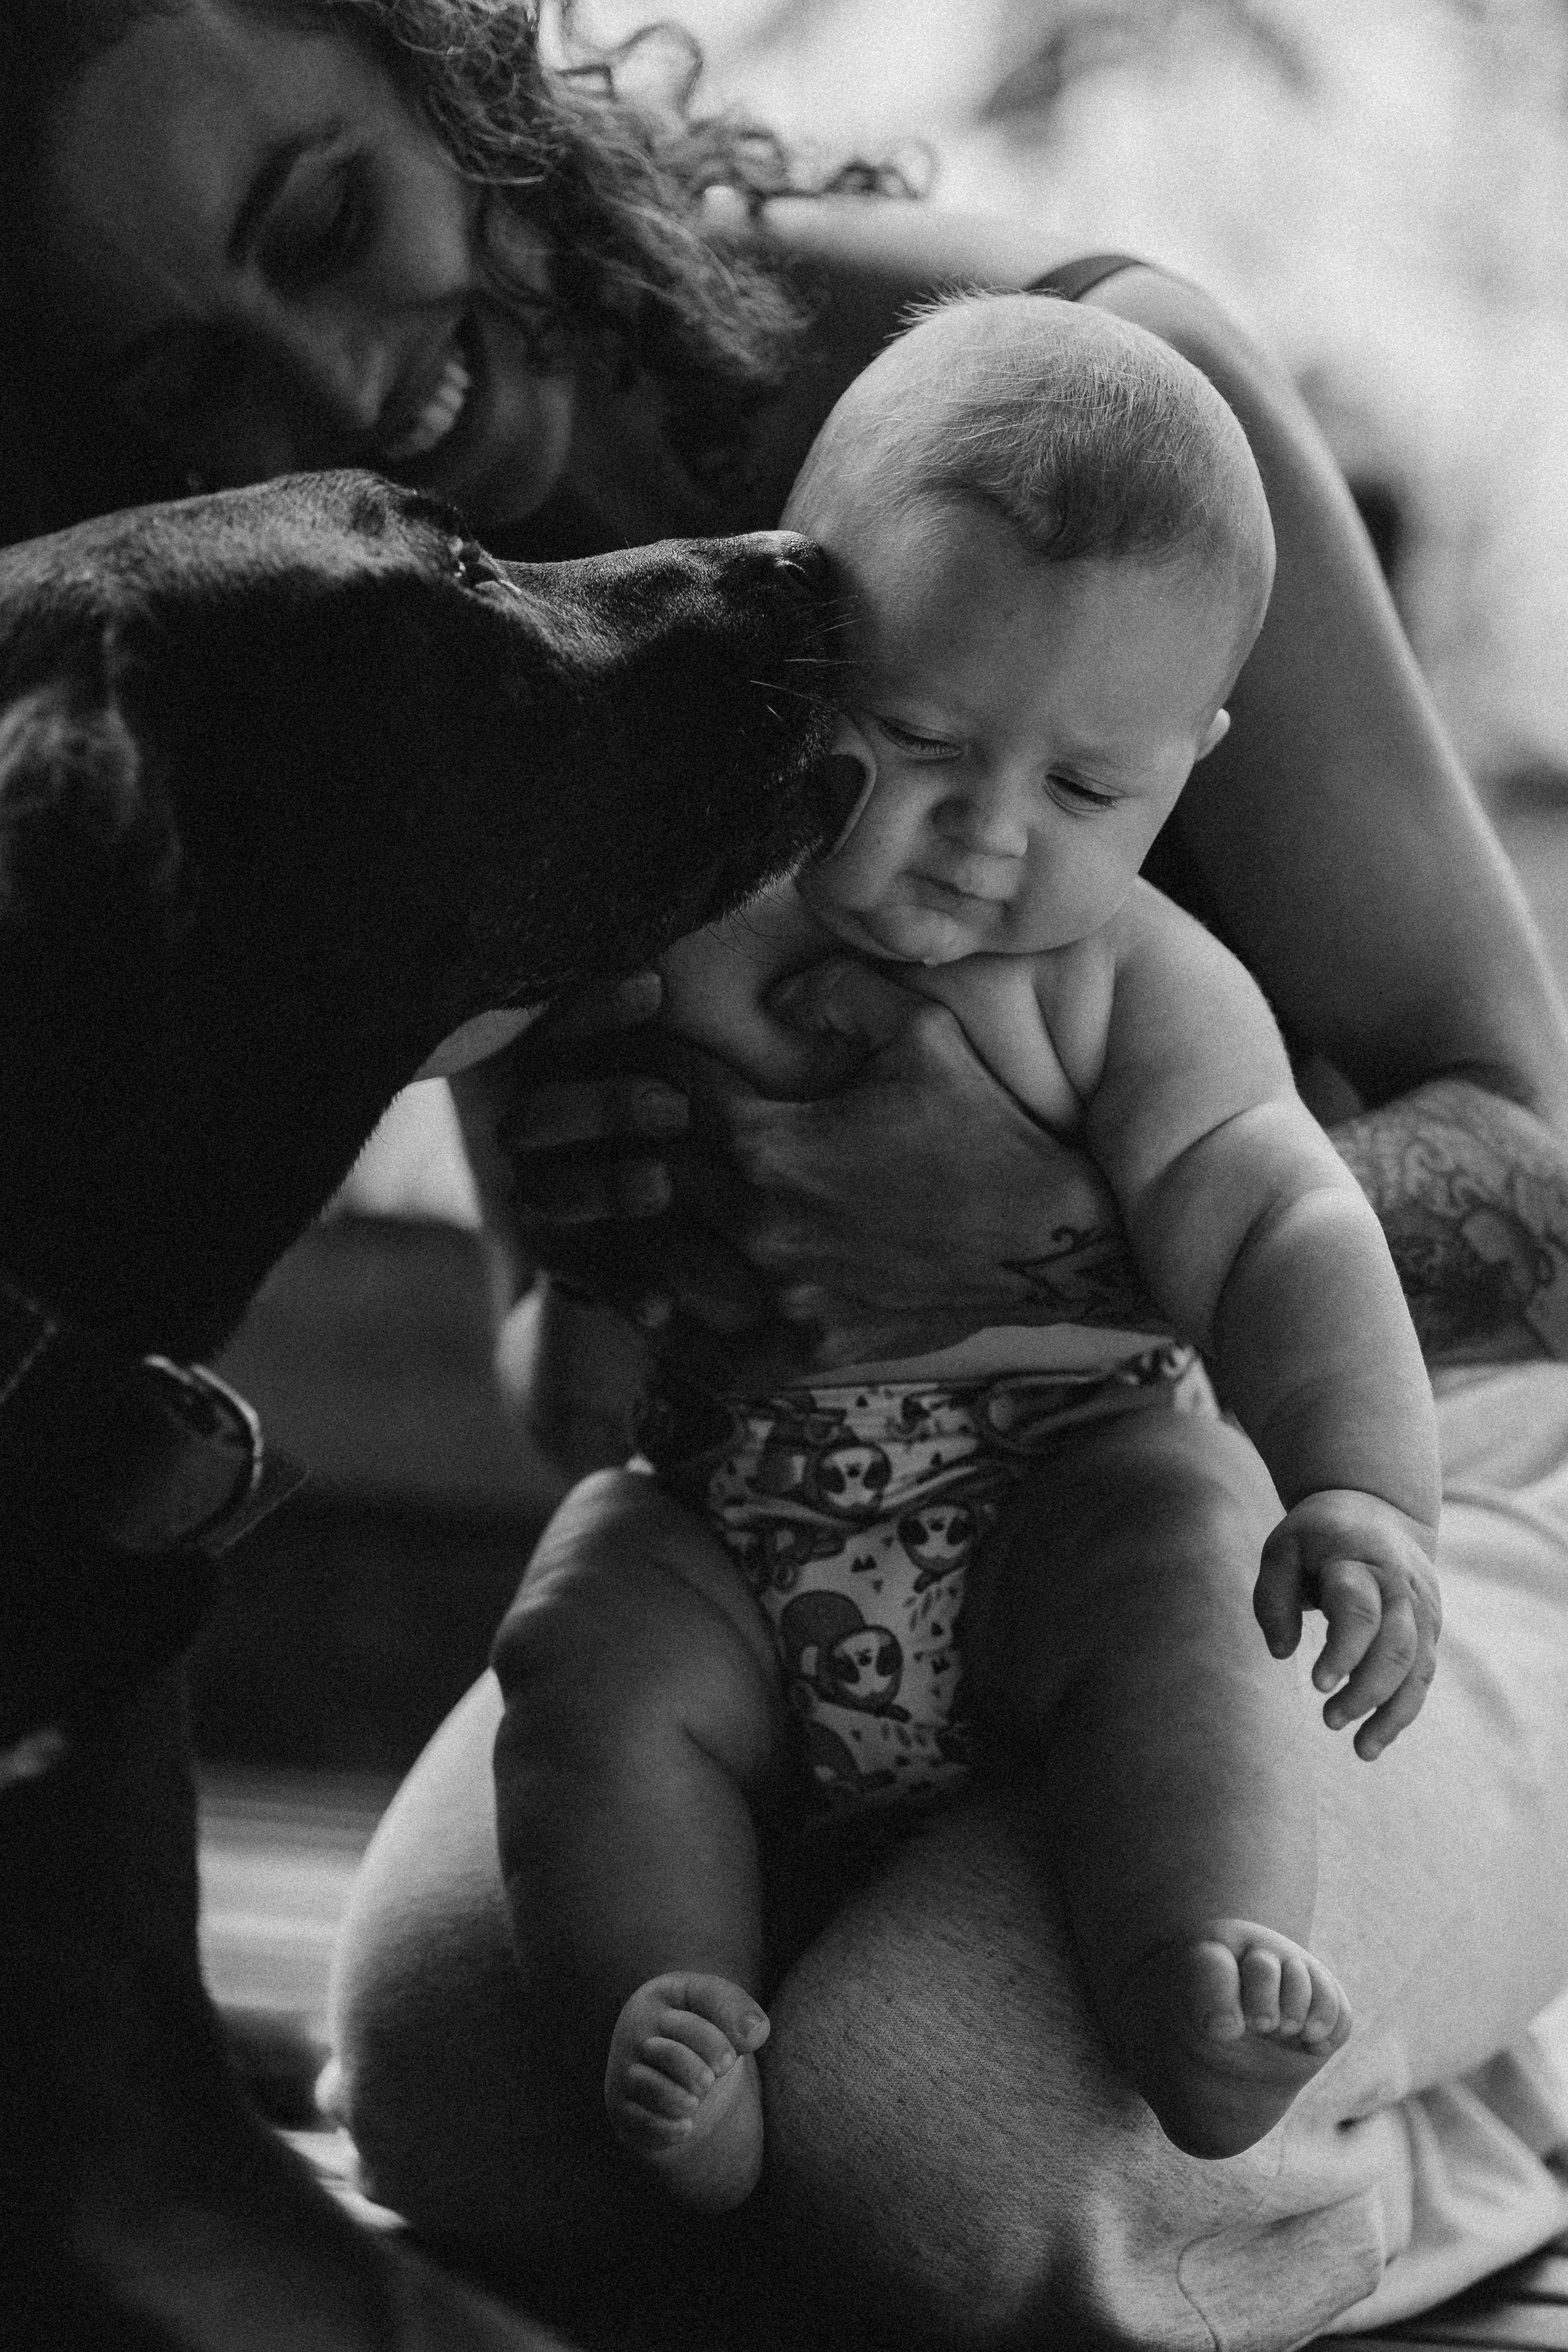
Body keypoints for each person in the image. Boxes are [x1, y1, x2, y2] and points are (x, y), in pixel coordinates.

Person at [14, 2, 1568, 2343]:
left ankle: (1472, 2102)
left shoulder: (1099, 432)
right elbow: (564, 1376)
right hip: (797, 1530)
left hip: (1346, 1512)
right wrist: (651, 1303)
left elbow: (1538, 1175)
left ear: (457, 77)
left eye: (325, 219)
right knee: (448, 2072)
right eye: (190, 387)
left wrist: (1051, 1243)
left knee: (939, 2154)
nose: (327, 396)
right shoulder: (404, 634)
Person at [511, 288, 1441, 2212]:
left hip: (1053, 1502)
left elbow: (1279, 1213)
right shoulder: (669, 907)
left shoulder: (1134, 988)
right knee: (583, 1638)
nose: (984, 834)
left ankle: (1197, 1973)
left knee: (1187, 1567)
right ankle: (676, 2016)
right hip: (731, 1518)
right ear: (795, 648)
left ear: (1193, 761)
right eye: (917, 734)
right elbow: (555, 1308)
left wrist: (1361, 1489)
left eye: (1089, 790)